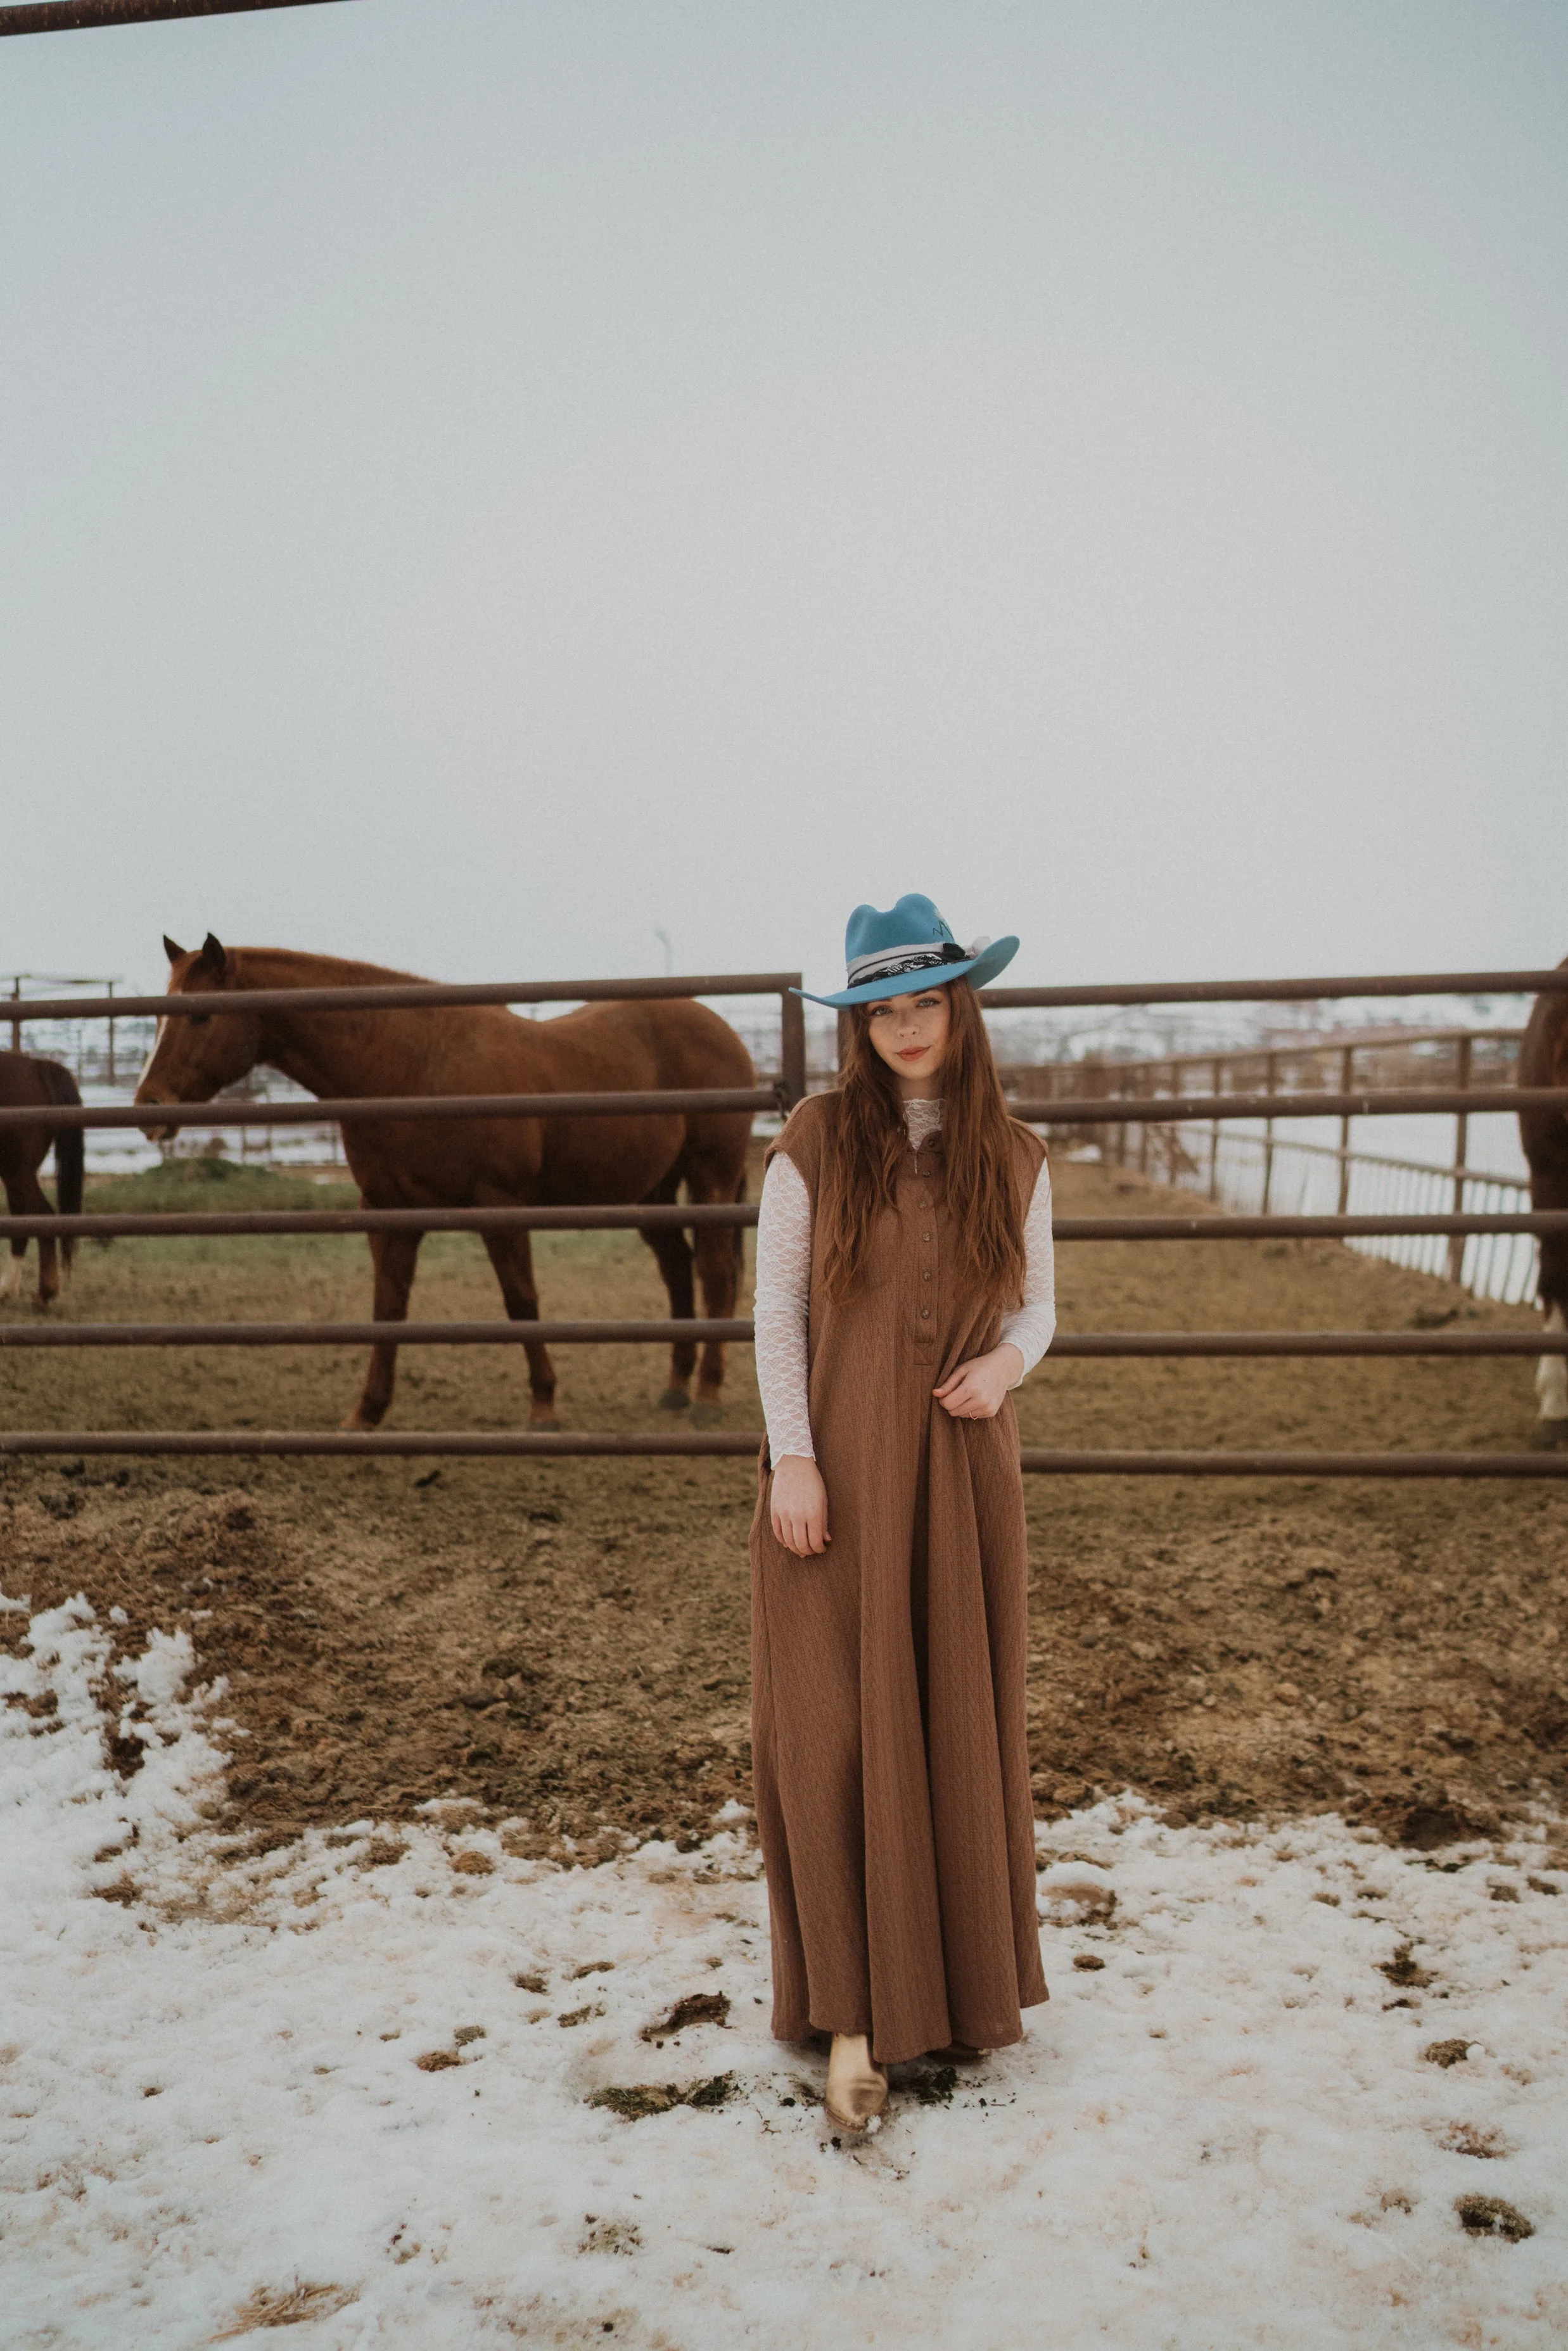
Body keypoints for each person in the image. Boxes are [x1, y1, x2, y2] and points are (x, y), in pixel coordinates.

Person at [749, 893, 1056, 2134]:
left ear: (959, 1007)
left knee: (947, 1723)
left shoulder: (1014, 1153)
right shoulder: (815, 1142)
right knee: (828, 1734)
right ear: (858, 1024)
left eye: (926, 1001)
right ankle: (854, 2016)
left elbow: (1037, 1309)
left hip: (960, 1481)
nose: (908, 1027)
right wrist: (795, 1460)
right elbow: (775, 1317)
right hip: (838, 1483)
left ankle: (957, 1998)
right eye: (883, 1009)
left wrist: (1007, 1368)